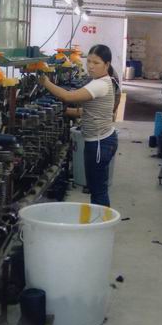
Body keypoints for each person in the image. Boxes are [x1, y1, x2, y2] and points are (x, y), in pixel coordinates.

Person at [39, 44, 118, 207]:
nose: (90, 66)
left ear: (107, 65)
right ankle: (99, 218)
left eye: (96, 63)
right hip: (101, 140)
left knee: (98, 191)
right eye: (89, 61)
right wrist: (65, 111)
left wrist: (45, 82)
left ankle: (102, 220)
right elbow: (91, 111)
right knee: (96, 187)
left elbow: (69, 96)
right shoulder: (101, 81)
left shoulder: (100, 84)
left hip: (99, 143)